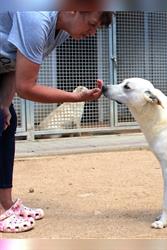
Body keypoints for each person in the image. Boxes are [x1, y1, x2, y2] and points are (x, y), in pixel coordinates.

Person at [0, 11, 113, 233]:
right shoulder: (35, 18)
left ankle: (6, 205)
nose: (92, 33)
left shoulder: (59, 30)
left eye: (96, 29)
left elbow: (15, 64)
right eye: (91, 24)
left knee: (5, 123)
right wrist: (74, 97)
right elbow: (26, 87)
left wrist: (4, 104)